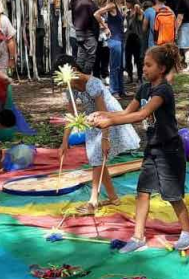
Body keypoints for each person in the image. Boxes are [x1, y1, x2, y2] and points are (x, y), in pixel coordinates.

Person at [89, 43, 189, 253]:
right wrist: (103, 115)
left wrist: (110, 123)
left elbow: (141, 115)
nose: (144, 69)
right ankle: (138, 237)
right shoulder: (144, 88)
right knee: (142, 192)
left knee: (172, 195)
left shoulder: (163, 90)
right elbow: (126, 111)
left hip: (169, 151)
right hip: (153, 149)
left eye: (148, 65)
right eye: (143, 65)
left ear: (162, 68)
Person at [56, 56, 141, 214]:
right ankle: (113, 198)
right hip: (93, 121)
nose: (66, 84)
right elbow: (71, 116)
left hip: (108, 118)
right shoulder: (71, 87)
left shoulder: (93, 83)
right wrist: (64, 142)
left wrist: (105, 138)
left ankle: (92, 202)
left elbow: (104, 113)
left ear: (73, 71)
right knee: (97, 159)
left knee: (97, 158)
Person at [97, 0, 128, 96]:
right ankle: (114, 90)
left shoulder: (119, 6)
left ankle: (121, 90)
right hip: (114, 39)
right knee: (115, 66)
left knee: (121, 66)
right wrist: (105, 27)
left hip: (120, 38)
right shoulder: (112, 5)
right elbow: (97, 14)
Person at [73, 0, 101, 75]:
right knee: (90, 57)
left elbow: (73, 18)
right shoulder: (90, 3)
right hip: (89, 33)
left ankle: (77, 79)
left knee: (81, 57)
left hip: (78, 32)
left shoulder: (77, 1)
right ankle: (84, 78)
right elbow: (96, 18)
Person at [124, 0, 146, 85]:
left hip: (137, 37)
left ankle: (140, 77)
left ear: (132, 3)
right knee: (128, 58)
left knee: (138, 59)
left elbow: (141, 13)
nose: (126, 4)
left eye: (127, 3)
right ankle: (130, 76)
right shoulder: (128, 13)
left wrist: (137, 7)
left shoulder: (138, 12)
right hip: (128, 37)